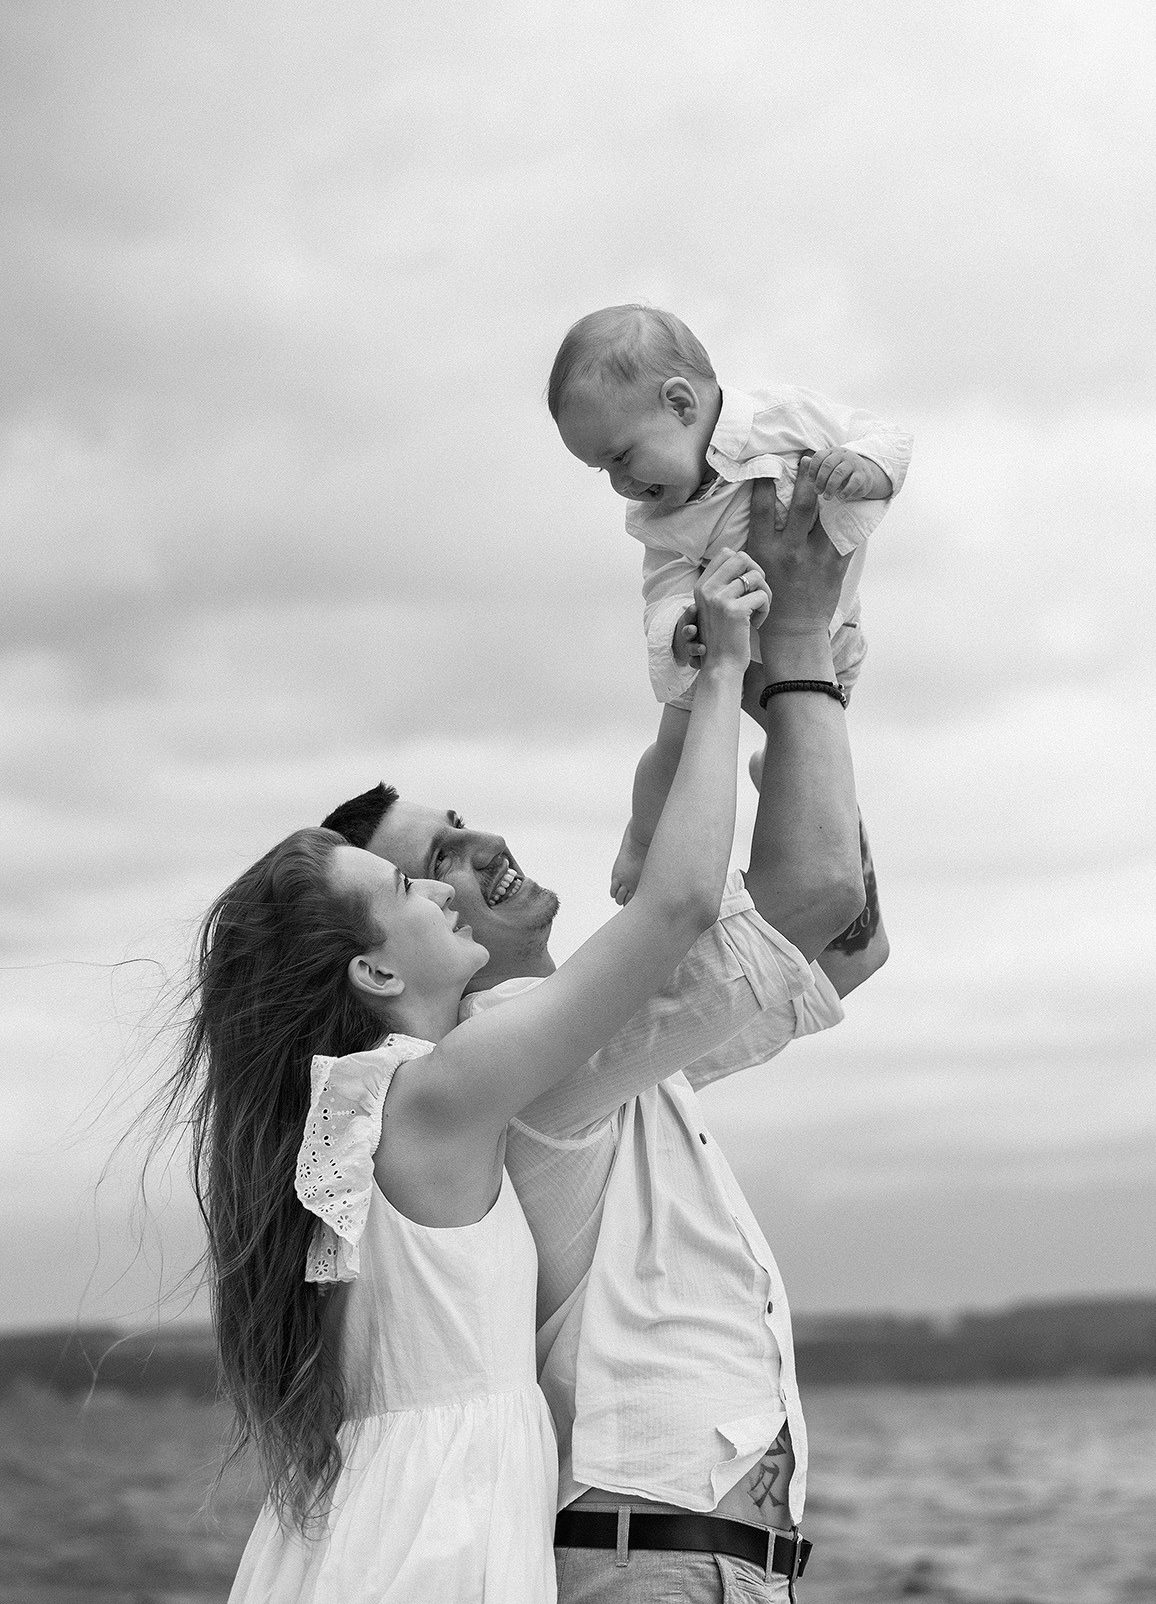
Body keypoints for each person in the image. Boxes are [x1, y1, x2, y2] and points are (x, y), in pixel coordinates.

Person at [175, 549, 771, 1603]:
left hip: (359, 1517)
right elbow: (672, 906)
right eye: (407, 882)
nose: (444, 893)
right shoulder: (441, 1090)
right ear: (373, 966)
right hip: (437, 1537)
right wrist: (723, 675)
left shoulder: (340, 1108)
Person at [323, 473, 878, 1601]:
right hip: (654, 1565)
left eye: (464, 825)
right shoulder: (529, 1053)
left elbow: (849, 946)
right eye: (434, 866)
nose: (478, 851)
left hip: (692, 1561)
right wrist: (800, 650)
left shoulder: (599, 1053)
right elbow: (815, 893)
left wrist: (800, 707)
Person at [547, 301, 912, 905]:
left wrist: (867, 467)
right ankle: (643, 839)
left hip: (828, 631)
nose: (620, 485)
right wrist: (680, 631)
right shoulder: (663, 520)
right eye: (601, 472)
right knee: (678, 742)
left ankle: (784, 782)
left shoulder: (787, 419)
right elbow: (662, 587)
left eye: (621, 458)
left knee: (817, 740)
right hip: (726, 638)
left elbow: (890, 437)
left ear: (681, 404)